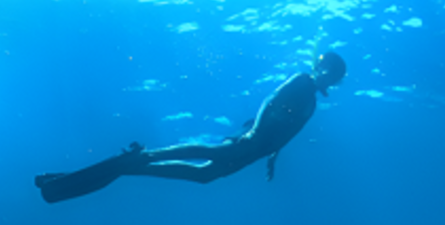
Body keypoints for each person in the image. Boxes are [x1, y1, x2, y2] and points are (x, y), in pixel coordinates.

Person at [35, 51, 347, 204]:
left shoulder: (313, 101)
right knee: (209, 152)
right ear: (322, 68)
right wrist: (256, 133)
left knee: (205, 175)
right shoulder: (301, 81)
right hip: (251, 142)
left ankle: (135, 166)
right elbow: (270, 101)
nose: (330, 79)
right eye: (329, 72)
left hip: (258, 151)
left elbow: (289, 133)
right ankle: (146, 156)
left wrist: (272, 159)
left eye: (334, 77)